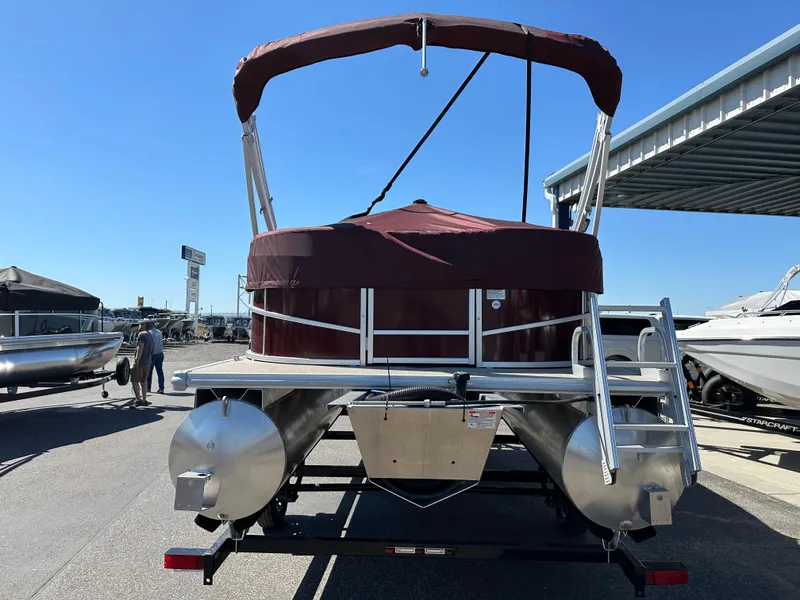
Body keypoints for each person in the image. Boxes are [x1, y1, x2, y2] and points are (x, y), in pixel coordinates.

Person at [131, 319, 155, 407]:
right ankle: (144, 400)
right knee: (144, 382)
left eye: (141, 324)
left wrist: (136, 361)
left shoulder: (141, 335)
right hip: (148, 362)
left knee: (134, 380)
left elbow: (140, 349)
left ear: (144, 325)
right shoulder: (151, 335)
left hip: (141, 362)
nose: (139, 325)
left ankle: (138, 399)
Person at [148, 323, 165, 393]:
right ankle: (161, 388)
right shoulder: (159, 332)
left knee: (149, 372)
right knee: (160, 372)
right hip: (160, 353)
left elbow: (150, 344)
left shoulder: (149, 333)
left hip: (152, 354)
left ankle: (148, 388)